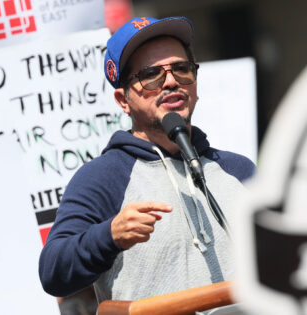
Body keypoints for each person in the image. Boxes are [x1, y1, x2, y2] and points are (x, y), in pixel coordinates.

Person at [39, 16, 256, 304]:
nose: (170, 81)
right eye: (151, 74)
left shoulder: (238, 170)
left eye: (182, 69)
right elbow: (53, 271)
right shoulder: (103, 178)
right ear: (122, 100)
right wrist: (109, 235)